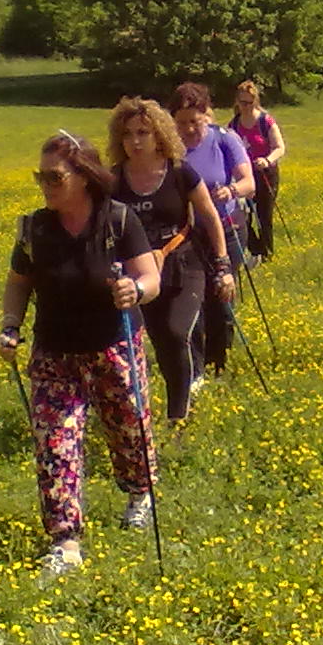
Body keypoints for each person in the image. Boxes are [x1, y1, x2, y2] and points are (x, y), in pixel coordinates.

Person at [0, 131, 162, 574]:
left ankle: (138, 493)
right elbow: (18, 283)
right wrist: (10, 326)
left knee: (129, 432)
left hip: (113, 349)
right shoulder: (36, 229)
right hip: (55, 355)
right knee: (55, 445)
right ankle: (66, 543)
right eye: (41, 177)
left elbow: (151, 278)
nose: (45, 185)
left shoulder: (118, 220)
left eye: (54, 177)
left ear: (84, 177)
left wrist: (136, 288)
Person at [108, 98, 235, 427]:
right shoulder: (114, 181)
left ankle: (177, 416)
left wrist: (222, 266)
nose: (135, 141)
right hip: (138, 275)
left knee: (176, 332)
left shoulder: (179, 171)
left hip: (184, 265)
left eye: (143, 133)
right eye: (128, 134)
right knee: (161, 342)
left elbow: (209, 216)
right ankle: (160, 405)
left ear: (159, 134)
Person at [170, 83, 255, 379]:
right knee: (192, 301)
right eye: (181, 123)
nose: (189, 129)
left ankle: (219, 361)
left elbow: (249, 182)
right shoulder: (169, 149)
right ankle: (196, 368)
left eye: (195, 121)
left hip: (227, 228)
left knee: (220, 298)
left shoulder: (225, 140)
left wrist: (231, 191)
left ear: (206, 115)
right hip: (187, 236)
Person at [229, 81, 286, 264]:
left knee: (264, 215)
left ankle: (268, 255)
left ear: (255, 101)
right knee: (242, 216)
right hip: (245, 177)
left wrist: (267, 160)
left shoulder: (265, 121)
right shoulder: (234, 124)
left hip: (265, 174)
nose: (245, 107)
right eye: (242, 102)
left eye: (249, 103)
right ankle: (255, 250)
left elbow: (280, 147)